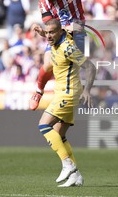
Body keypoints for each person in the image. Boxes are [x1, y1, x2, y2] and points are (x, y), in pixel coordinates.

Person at [26, 0, 103, 110]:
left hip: (78, 34)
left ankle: (74, 97)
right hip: (59, 33)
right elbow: (51, 26)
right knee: (48, 64)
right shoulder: (43, 3)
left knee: (74, 67)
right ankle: (38, 91)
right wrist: (47, 32)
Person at [38, 18, 96, 187]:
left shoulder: (68, 47)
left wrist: (87, 90)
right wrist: (43, 33)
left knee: (44, 125)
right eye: (46, 33)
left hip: (68, 94)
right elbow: (52, 33)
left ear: (60, 32)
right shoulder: (55, 40)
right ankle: (76, 176)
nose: (48, 36)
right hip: (64, 92)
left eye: (51, 33)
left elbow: (91, 67)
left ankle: (68, 164)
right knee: (60, 134)